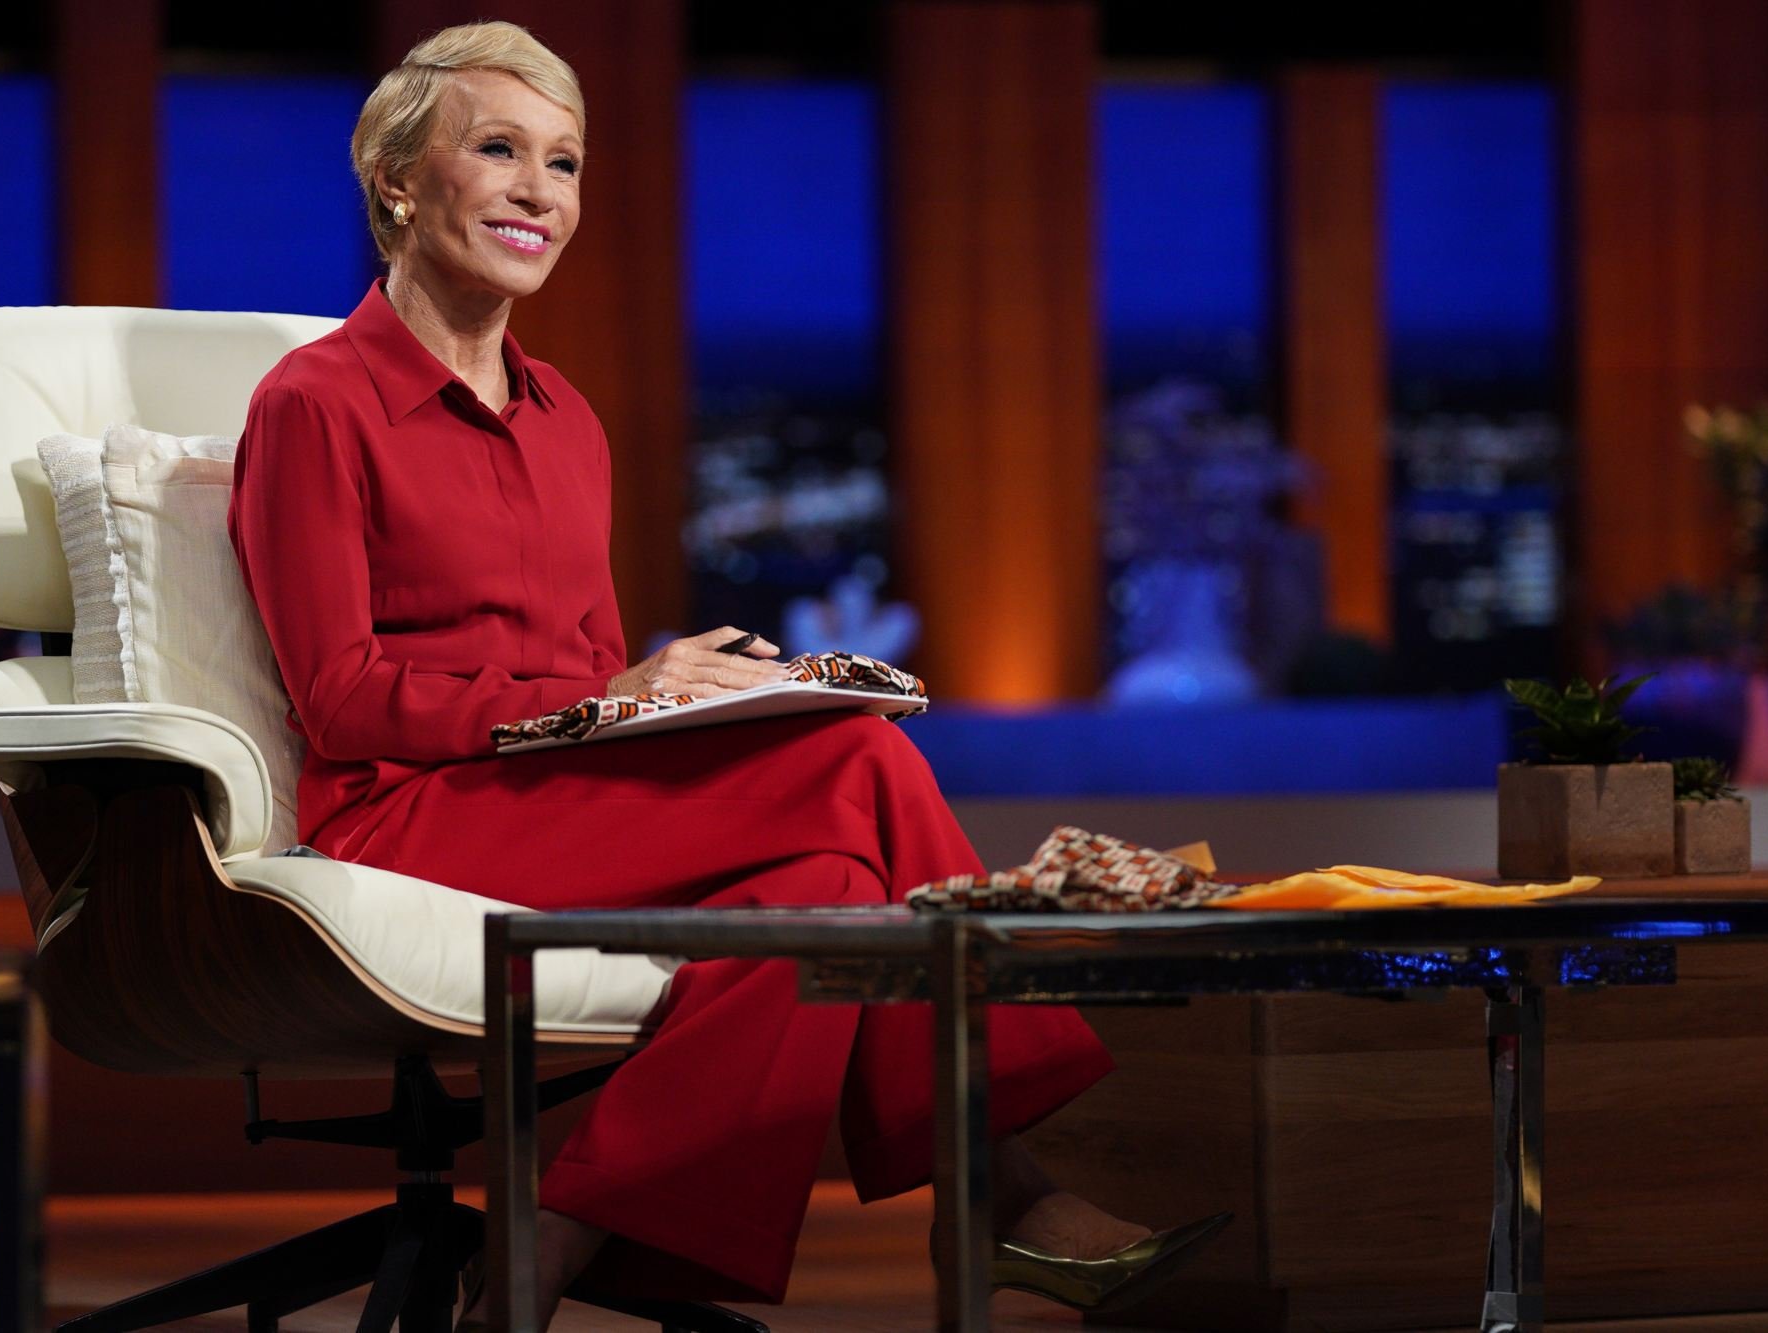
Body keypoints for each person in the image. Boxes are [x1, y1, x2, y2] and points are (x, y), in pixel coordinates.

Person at [228, 21, 1220, 1330]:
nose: (540, 190)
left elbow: (586, 672)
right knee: (861, 761)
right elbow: (342, 698)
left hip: (549, 801)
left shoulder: (567, 415)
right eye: (499, 151)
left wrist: (675, 698)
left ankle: (554, 1240)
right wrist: (611, 702)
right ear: (400, 181)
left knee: (824, 897)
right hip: (398, 814)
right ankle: (995, 1185)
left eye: (566, 163)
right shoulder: (315, 402)